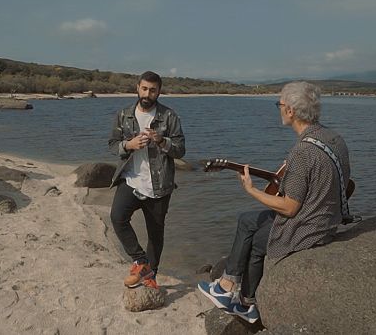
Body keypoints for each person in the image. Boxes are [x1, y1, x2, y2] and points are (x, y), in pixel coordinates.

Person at [197, 81, 351, 324]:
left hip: (310, 226)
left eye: (279, 104)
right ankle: (227, 284)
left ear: (290, 110)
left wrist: (252, 190)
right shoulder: (334, 138)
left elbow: (290, 208)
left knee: (258, 243)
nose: (279, 109)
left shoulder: (302, 151)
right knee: (247, 220)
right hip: (327, 215)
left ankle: (248, 303)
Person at [108, 71, 185, 290]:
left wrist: (162, 141)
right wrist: (128, 145)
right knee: (117, 217)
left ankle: (151, 275)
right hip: (130, 180)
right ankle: (141, 261)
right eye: (144, 88)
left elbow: (180, 151)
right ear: (137, 88)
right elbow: (113, 144)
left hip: (159, 186)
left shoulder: (169, 117)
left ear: (159, 91)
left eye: (152, 90)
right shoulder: (124, 114)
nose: (147, 93)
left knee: (155, 233)